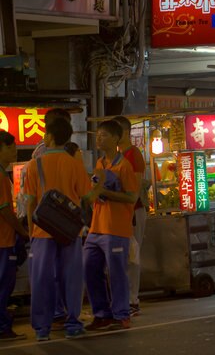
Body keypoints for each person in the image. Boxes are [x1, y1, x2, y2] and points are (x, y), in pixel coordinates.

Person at [23, 117, 91, 341]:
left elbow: (30, 201)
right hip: (69, 230)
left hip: (43, 230)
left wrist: (32, 231)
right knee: (71, 277)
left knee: (42, 278)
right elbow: (85, 196)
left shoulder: (35, 164)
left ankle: (42, 329)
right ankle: (72, 323)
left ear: (49, 137)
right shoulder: (74, 163)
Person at [82, 120, 139, 331]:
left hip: (116, 229)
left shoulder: (124, 166)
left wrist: (103, 192)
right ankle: (101, 314)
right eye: (98, 135)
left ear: (116, 139)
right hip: (96, 228)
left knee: (116, 273)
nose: (99, 138)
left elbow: (132, 197)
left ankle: (121, 314)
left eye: (104, 135)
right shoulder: (99, 163)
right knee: (89, 268)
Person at [111, 116, 146, 317]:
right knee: (124, 256)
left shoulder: (133, 155)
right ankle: (125, 298)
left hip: (133, 211)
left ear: (123, 133)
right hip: (122, 212)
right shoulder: (118, 155)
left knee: (132, 256)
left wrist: (128, 212)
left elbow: (136, 187)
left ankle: (133, 300)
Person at [0, 131, 29, 341]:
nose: (14, 150)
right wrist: (22, 231)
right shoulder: (1, 176)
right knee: (4, 285)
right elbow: (5, 211)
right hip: (3, 240)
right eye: (10, 147)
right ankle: (2, 327)